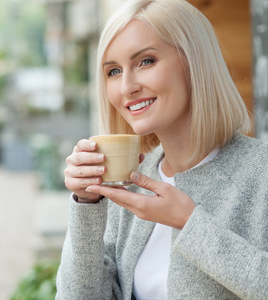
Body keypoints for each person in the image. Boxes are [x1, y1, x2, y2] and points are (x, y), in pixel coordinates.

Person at [56, 0, 268, 299]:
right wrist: (86, 203)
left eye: (146, 61)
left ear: (195, 61)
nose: (127, 86)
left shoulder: (261, 172)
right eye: (114, 71)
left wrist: (189, 222)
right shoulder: (130, 179)